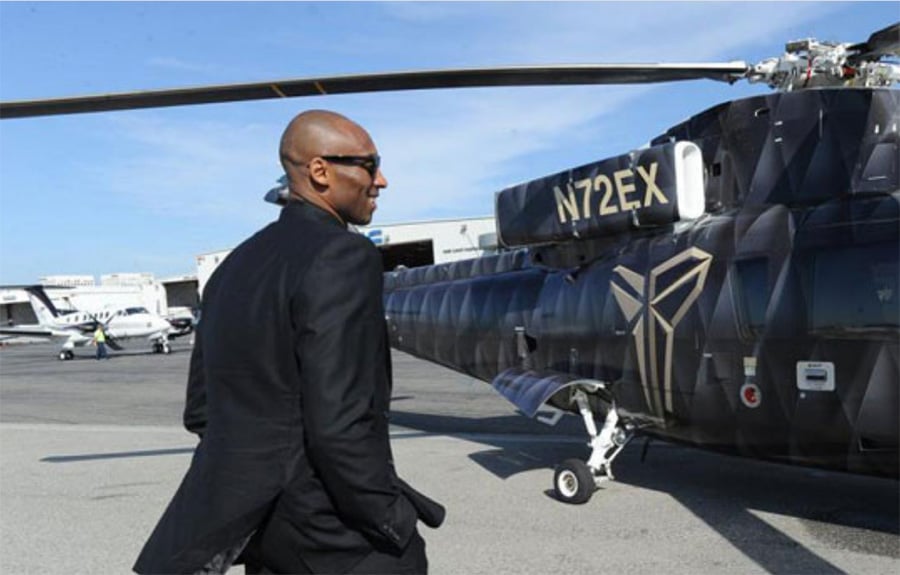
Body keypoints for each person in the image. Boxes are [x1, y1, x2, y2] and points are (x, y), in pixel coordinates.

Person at [134, 110, 444, 575]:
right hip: (334, 534)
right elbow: (340, 421)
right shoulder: (345, 254)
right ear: (320, 171)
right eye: (369, 164)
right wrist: (387, 516)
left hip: (263, 533)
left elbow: (201, 411)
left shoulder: (231, 269)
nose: (381, 180)